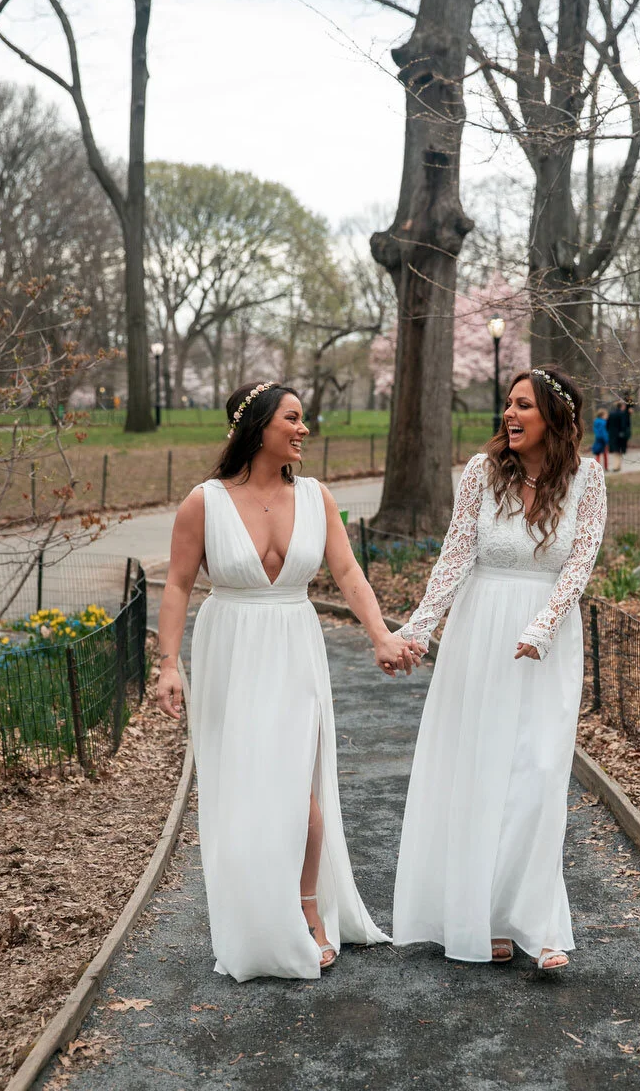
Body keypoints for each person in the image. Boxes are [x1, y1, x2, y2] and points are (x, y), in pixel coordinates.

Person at [156, 380, 421, 981]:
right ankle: (255, 916)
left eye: (305, 420)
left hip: (295, 649)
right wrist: (168, 664)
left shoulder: (318, 497)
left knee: (302, 791)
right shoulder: (205, 502)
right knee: (247, 787)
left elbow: (348, 571)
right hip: (231, 650)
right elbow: (175, 584)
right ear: (259, 427)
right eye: (294, 419)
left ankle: (305, 908)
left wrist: (380, 633)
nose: (305, 429)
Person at [392, 367, 607, 971]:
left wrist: (544, 624)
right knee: (482, 766)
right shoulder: (481, 475)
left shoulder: (587, 480)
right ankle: (481, 915)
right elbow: (454, 557)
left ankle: (535, 920)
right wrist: (419, 629)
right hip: (480, 631)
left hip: (547, 640)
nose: (509, 416)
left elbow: (580, 563)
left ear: (555, 419)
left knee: (539, 771)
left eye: (523, 407)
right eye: (507, 404)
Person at [606, 400, 631, 472]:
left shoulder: (611, 414)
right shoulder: (622, 414)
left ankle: (617, 465)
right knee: (618, 451)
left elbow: (607, 425)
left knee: (616, 451)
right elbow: (624, 425)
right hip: (620, 435)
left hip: (612, 435)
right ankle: (616, 466)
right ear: (622, 406)